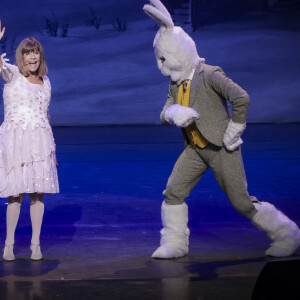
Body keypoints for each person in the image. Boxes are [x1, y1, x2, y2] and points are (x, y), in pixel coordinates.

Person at [143, 0, 300, 258]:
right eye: (159, 59)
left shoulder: (209, 74)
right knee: (173, 191)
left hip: (221, 149)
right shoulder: (175, 83)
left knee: (241, 202)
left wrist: (234, 129)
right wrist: (173, 113)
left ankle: (287, 234)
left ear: (179, 54)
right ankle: (176, 243)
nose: (161, 67)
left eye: (164, 59)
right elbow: (165, 109)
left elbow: (241, 97)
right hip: (196, 149)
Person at [0, 20, 59, 261]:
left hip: (40, 143)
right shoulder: (13, 74)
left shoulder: (46, 82)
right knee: (16, 195)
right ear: (21, 58)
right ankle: (9, 245)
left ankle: (35, 245)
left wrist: (51, 150)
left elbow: (45, 116)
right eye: (27, 54)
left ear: (40, 57)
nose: (32, 58)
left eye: (35, 54)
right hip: (16, 142)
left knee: (38, 193)